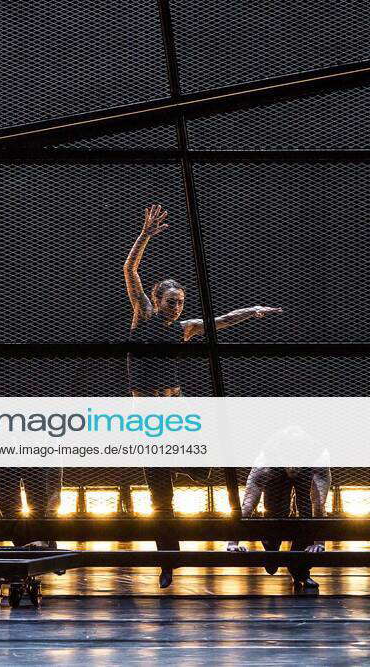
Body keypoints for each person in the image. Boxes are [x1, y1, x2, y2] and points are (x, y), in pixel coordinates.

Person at [124, 203, 283, 588]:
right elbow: (131, 271)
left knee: (202, 469)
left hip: (176, 414)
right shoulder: (144, 315)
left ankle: (194, 473)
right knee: (161, 499)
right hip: (148, 421)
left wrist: (254, 310)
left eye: (180, 302)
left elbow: (222, 320)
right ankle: (168, 561)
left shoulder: (185, 328)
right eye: (170, 301)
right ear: (157, 300)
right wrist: (145, 234)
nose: (176, 307)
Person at [226, 426, 331, 593]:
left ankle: (300, 571)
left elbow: (319, 503)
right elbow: (247, 504)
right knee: (275, 510)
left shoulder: (318, 458)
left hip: (308, 467)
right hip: (275, 468)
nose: (293, 468)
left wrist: (319, 543)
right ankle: (271, 545)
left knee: (307, 511)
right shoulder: (266, 461)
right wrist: (232, 543)